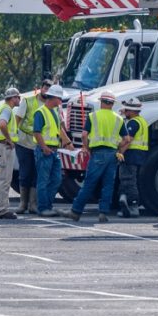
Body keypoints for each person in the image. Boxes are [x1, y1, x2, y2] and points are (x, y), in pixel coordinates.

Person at [68, 92, 123, 223]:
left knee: (89, 184)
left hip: (98, 152)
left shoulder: (93, 116)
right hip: (112, 154)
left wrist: (86, 148)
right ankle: (103, 213)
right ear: (112, 104)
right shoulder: (118, 118)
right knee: (108, 185)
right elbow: (126, 139)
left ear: (101, 102)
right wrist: (119, 148)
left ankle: (76, 211)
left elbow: (84, 134)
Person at [32, 84, 73, 218]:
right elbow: (36, 132)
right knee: (43, 180)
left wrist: (67, 142)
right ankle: (43, 208)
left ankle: (47, 206)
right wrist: (44, 147)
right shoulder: (40, 112)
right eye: (60, 99)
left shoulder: (55, 112)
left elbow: (59, 130)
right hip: (44, 150)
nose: (61, 102)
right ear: (53, 97)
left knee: (56, 179)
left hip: (54, 151)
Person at [11, 79, 51, 214]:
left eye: (49, 88)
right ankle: (23, 203)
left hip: (39, 145)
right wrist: (12, 138)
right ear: (41, 88)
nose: (47, 90)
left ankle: (33, 204)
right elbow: (17, 120)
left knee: (36, 174)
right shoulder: (28, 101)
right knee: (25, 172)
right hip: (24, 143)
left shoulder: (51, 105)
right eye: (45, 87)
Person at [0, 87, 22, 219]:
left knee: (4, 179)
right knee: (4, 179)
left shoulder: (4, 108)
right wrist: (9, 140)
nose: (19, 99)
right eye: (18, 97)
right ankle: (2, 210)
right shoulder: (7, 110)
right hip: (5, 147)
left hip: (2, 146)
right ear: (13, 98)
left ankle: (2, 208)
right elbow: (3, 125)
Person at [116, 98, 147, 218]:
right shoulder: (141, 121)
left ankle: (133, 206)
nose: (125, 111)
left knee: (128, 180)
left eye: (127, 110)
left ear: (132, 111)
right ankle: (124, 200)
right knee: (129, 180)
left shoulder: (133, 123)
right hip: (140, 154)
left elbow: (128, 141)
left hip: (131, 154)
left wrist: (120, 152)